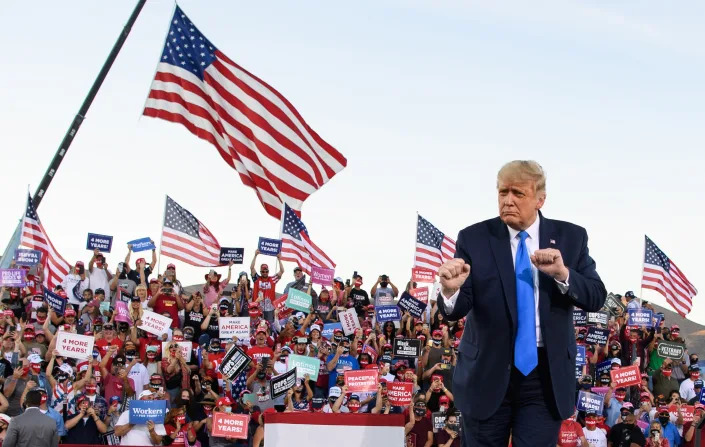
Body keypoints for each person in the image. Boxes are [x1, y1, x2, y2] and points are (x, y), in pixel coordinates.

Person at [436, 160, 606, 446]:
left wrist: (564, 275)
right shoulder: (474, 238)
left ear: (540, 199)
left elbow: (595, 296)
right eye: (503, 193)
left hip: (544, 377)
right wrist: (450, 291)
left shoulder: (571, 237)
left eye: (518, 193)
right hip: (487, 372)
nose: (508, 200)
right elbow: (459, 307)